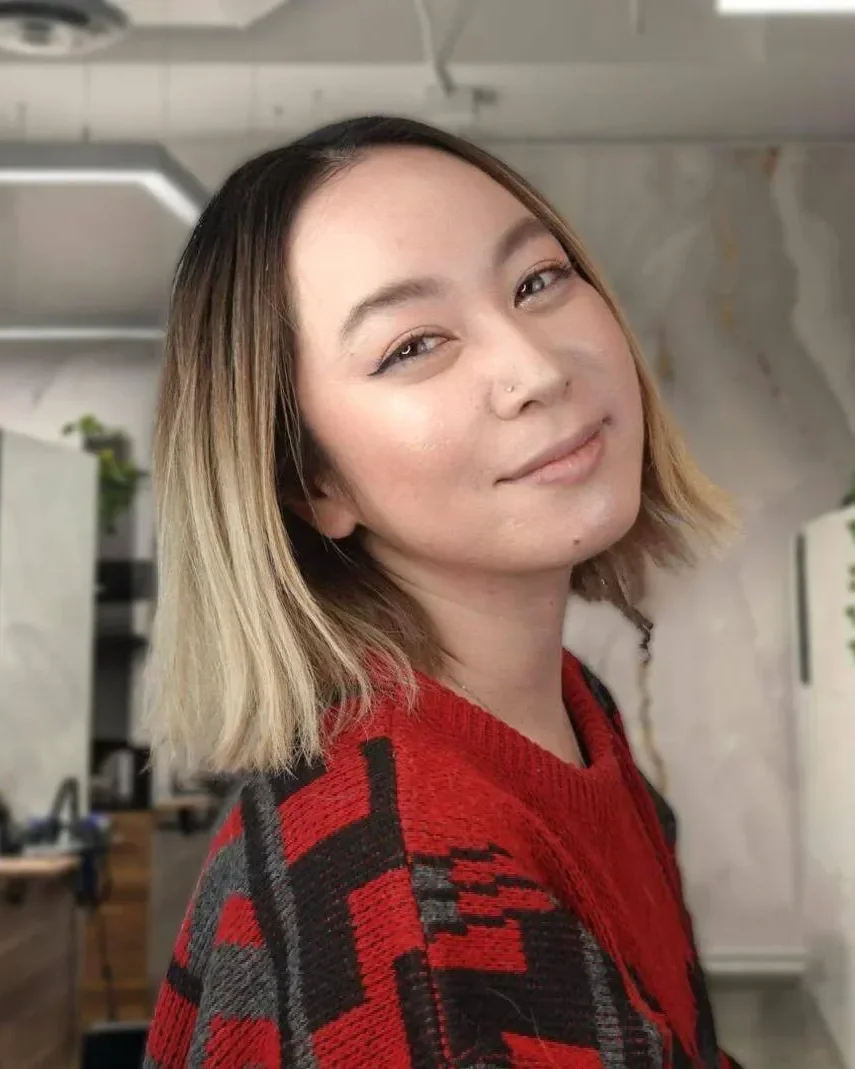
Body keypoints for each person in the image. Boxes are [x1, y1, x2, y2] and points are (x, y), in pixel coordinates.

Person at [142, 115, 740, 1068]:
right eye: (414, 344)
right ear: (310, 482)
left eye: (537, 281)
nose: (536, 370)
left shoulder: (571, 708)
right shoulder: (415, 918)